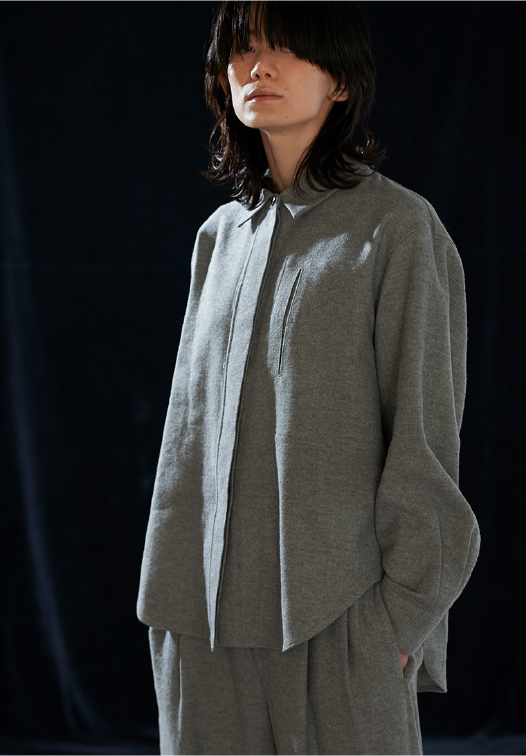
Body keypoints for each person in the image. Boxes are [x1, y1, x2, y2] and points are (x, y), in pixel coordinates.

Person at [136, 2, 481, 754]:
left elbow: (425, 440)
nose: (257, 67)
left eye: (286, 48)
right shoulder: (218, 239)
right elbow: (186, 440)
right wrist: (166, 607)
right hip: (200, 628)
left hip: (340, 624)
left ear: (341, 82)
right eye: (241, 49)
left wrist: (398, 623)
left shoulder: (397, 230)